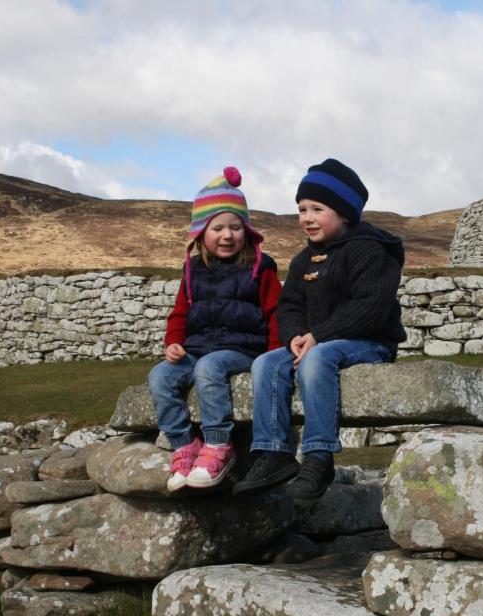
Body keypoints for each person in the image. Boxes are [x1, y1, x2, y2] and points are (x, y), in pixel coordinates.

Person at [233, 158, 406, 501]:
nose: (306, 218)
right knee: (266, 363)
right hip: (315, 342)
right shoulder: (303, 260)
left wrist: (319, 336)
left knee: (318, 358)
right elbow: (290, 306)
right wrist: (295, 335)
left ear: (344, 213)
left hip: (368, 343)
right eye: (301, 209)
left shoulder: (370, 251)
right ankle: (273, 452)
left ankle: (318, 456)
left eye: (317, 208)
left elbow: (370, 305)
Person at [148, 167, 281, 492]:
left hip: (242, 350)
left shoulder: (259, 267)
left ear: (246, 230)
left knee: (210, 367)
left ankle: (220, 444)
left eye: (235, 227)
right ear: (200, 233)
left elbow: (276, 312)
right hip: (196, 349)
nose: (227, 235)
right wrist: (174, 343)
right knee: (160, 376)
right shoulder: (193, 269)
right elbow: (180, 312)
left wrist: (275, 354)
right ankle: (184, 444)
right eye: (217, 228)